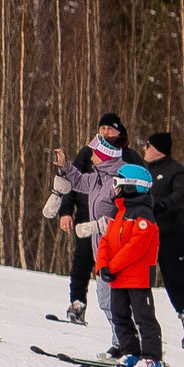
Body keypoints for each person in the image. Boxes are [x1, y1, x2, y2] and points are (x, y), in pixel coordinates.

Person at [46, 115, 127, 324]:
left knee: (116, 301)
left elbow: (128, 213)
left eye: (95, 154)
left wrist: (102, 225)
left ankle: (132, 346)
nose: (91, 158)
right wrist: (64, 166)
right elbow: (77, 180)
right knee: (105, 300)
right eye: (102, 128)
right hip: (93, 238)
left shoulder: (120, 177)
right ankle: (119, 343)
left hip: (115, 247)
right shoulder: (96, 177)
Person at [93, 160, 167, 367]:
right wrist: (103, 265)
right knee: (120, 315)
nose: (114, 187)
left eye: (118, 182)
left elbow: (135, 247)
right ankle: (130, 353)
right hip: (118, 278)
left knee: (144, 317)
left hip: (137, 278)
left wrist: (112, 266)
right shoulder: (120, 212)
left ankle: (153, 358)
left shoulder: (143, 215)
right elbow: (106, 240)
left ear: (131, 185)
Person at [140, 132, 184, 349]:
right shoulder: (144, 170)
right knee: (140, 280)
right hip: (145, 234)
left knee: (174, 280)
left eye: (147, 144)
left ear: (157, 148)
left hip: (171, 235)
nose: (144, 148)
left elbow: (183, 194)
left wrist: (162, 205)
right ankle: (142, 327)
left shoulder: (177, 171)